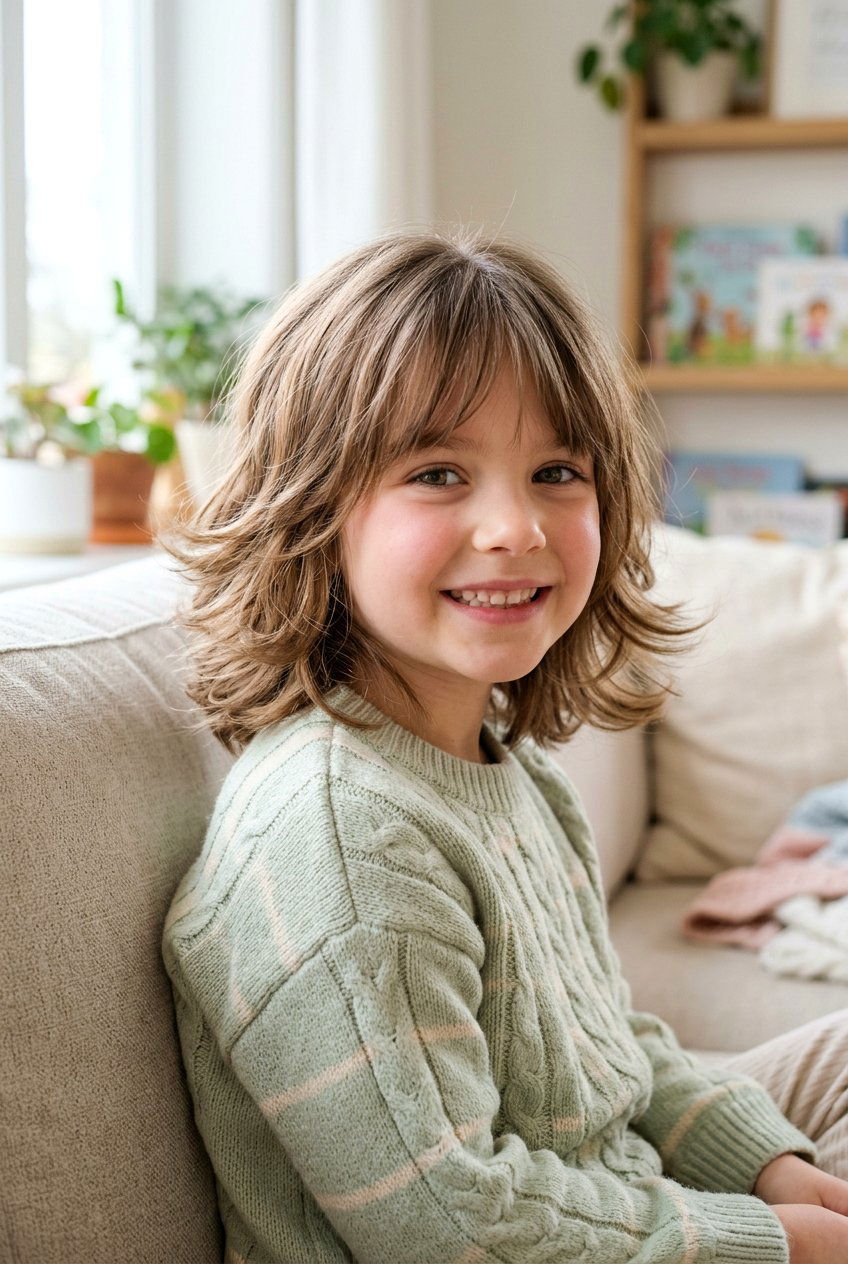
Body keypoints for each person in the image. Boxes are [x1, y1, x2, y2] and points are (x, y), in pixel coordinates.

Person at [160, 226, 848, 1264]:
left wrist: (770, 1168)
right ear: (313, 510)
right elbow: (443, 1221)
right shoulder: (343, 833)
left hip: (607, 1192)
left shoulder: (505, 769)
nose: (514, 526)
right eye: (438, 472)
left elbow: (609, 1051)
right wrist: (777, 1240)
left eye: (555, 471)